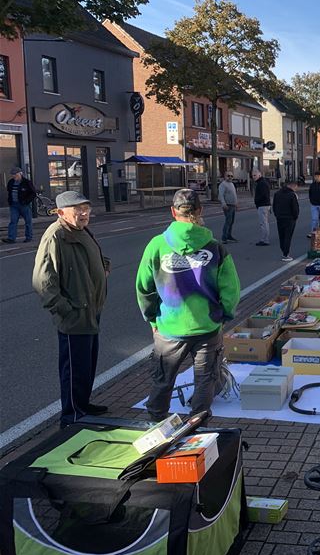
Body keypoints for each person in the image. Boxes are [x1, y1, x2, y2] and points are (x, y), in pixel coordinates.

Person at [136, 189, 241, 422]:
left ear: (173, 212)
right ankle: (197, 425)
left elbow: (144, 287)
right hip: (207, 326)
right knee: (205, 378)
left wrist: (152, 318)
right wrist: (223, 315)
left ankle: (155, 424)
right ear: (200, 211)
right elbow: (230, 289)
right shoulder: (215, 247)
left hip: (169, 327)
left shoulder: (157, 245)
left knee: (163, 379)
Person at [32, 191, 111, 428]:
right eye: (78, 209)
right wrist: (64, 310)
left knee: (86, 364)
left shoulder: (80, 230)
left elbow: (91, 255)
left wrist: (104, 265)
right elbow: (43, 281)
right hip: (75, 313)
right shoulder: (56, 236)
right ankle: (72, 415)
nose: (84, 213)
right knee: (74, 367)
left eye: (86, 208)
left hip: (90, 310)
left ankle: (82, 404)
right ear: (61, 212)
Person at [3, 167, 35, 244]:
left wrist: (26, 201)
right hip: (14, 205)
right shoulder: (11, 182)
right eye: (13, 175)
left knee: (28, 222)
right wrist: (10, 201)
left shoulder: (27, 182)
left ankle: (28, 237)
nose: (14, 176)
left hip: (24, 205)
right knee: (13, 221)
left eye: (15, 175)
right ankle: (11, 238)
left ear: (20, 174)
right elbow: (9, 192)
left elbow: (33, 193)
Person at [273, 180, 300, 261]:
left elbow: (274, 205)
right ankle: (286, 254)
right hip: (290, 218)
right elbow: (295, 208)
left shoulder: (277, 193)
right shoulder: (292, 195)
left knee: (282, 235)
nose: (296, 189)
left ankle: (283, 250)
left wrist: (277, 215)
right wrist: (295, 216)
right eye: (296, 187)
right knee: (288, 236)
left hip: (280, 218)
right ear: (293, 186)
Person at [252, 170, 271, 246]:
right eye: (252, 175)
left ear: (259, 175)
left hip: (263, 205)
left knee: (263, 223)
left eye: (255, 175)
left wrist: (257, 201)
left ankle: (265, 240)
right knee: (264, 223)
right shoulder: (262, 182)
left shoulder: (262, 183)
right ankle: (265, 239)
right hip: (264, 205)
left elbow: (264, 195)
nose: (253, 177)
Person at [218, 171, 238, 243]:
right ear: (225, 176)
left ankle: (229, 235)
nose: (230, 177)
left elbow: (234, 194)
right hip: (227, 205)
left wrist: (236, 203)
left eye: (231, 176)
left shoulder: (232, 184)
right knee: (228, 221)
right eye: (228, 176)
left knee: (231, 221)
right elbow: (221, 195)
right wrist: (223, 204)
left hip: (232, 205)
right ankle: (224, 237)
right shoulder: (223, 185)